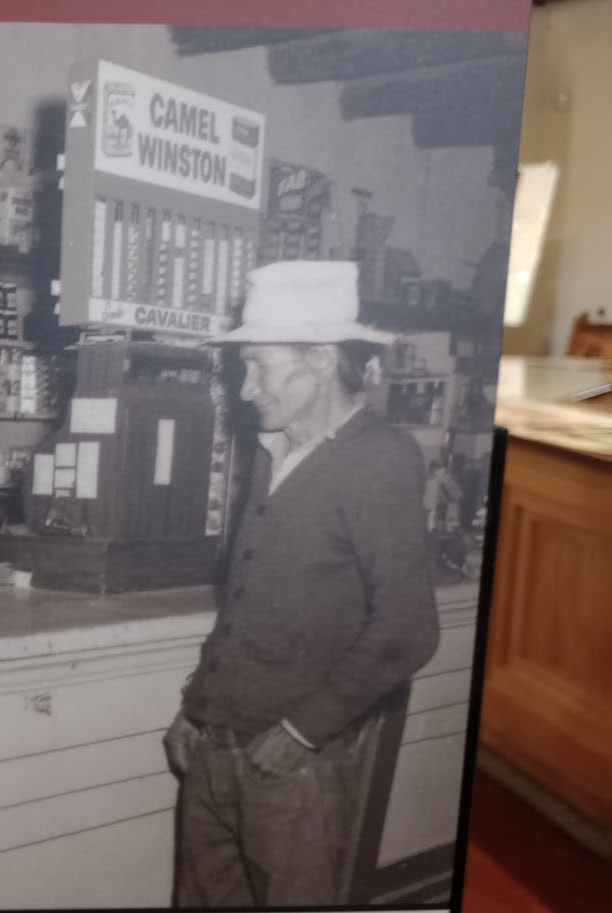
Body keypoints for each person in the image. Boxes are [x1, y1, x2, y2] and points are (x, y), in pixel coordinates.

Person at [164, 260, 440, 908]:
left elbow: (406, 628)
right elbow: (247, 604)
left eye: (258, 364)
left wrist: (298, 733)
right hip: (214, 747)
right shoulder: (271, 452)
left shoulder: (379, 457)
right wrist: (195, 705)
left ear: (319, 359)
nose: (245, 385)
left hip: (295, 766)